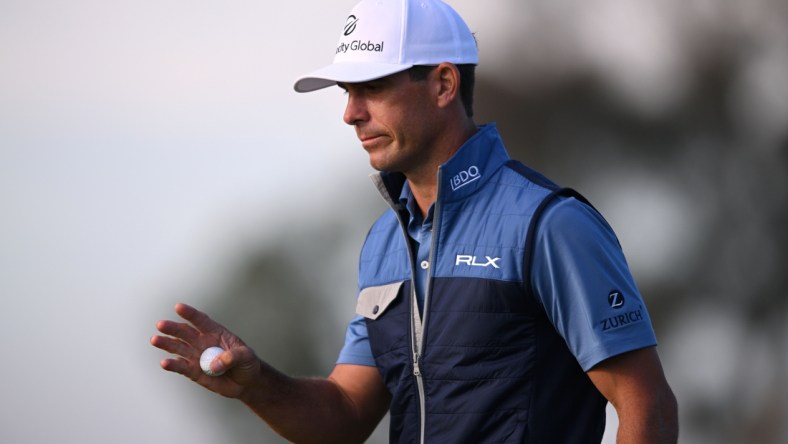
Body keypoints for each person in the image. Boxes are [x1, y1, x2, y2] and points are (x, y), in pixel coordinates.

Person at [151, 0, 679, 442]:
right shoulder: (385, 241)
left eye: (372, 88)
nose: (351, 113)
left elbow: (645, 403)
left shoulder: (548, 223)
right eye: (346, 93)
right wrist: (255, 384)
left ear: (443, 84)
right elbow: (343, 413)